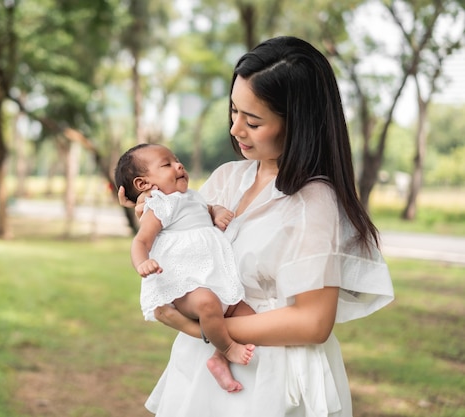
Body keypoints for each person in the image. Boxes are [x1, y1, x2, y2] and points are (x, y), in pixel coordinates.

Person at [118, 36, 394, 417]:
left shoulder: (313, 202)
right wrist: (145, 206)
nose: (235, 129)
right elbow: (181, 239)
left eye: (253, 121)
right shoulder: (227, 179)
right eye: (233, 112)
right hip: (204, 366)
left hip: (269, 375)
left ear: (297, 123)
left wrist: (200, 328)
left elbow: (313, 322)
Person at [114, 143, 256, 392]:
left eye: (177, 160)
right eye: (167, 164)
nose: (179, 165)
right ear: (143, 184)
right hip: (187, 284)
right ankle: (228, 348)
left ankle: (218, 360)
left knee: (248, 317)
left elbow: (206, 208)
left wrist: (217, 210)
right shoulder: (159, 205)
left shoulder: (192, 196)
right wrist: (142, 262)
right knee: (207, 304)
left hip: (217, 279)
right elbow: (141, 240)